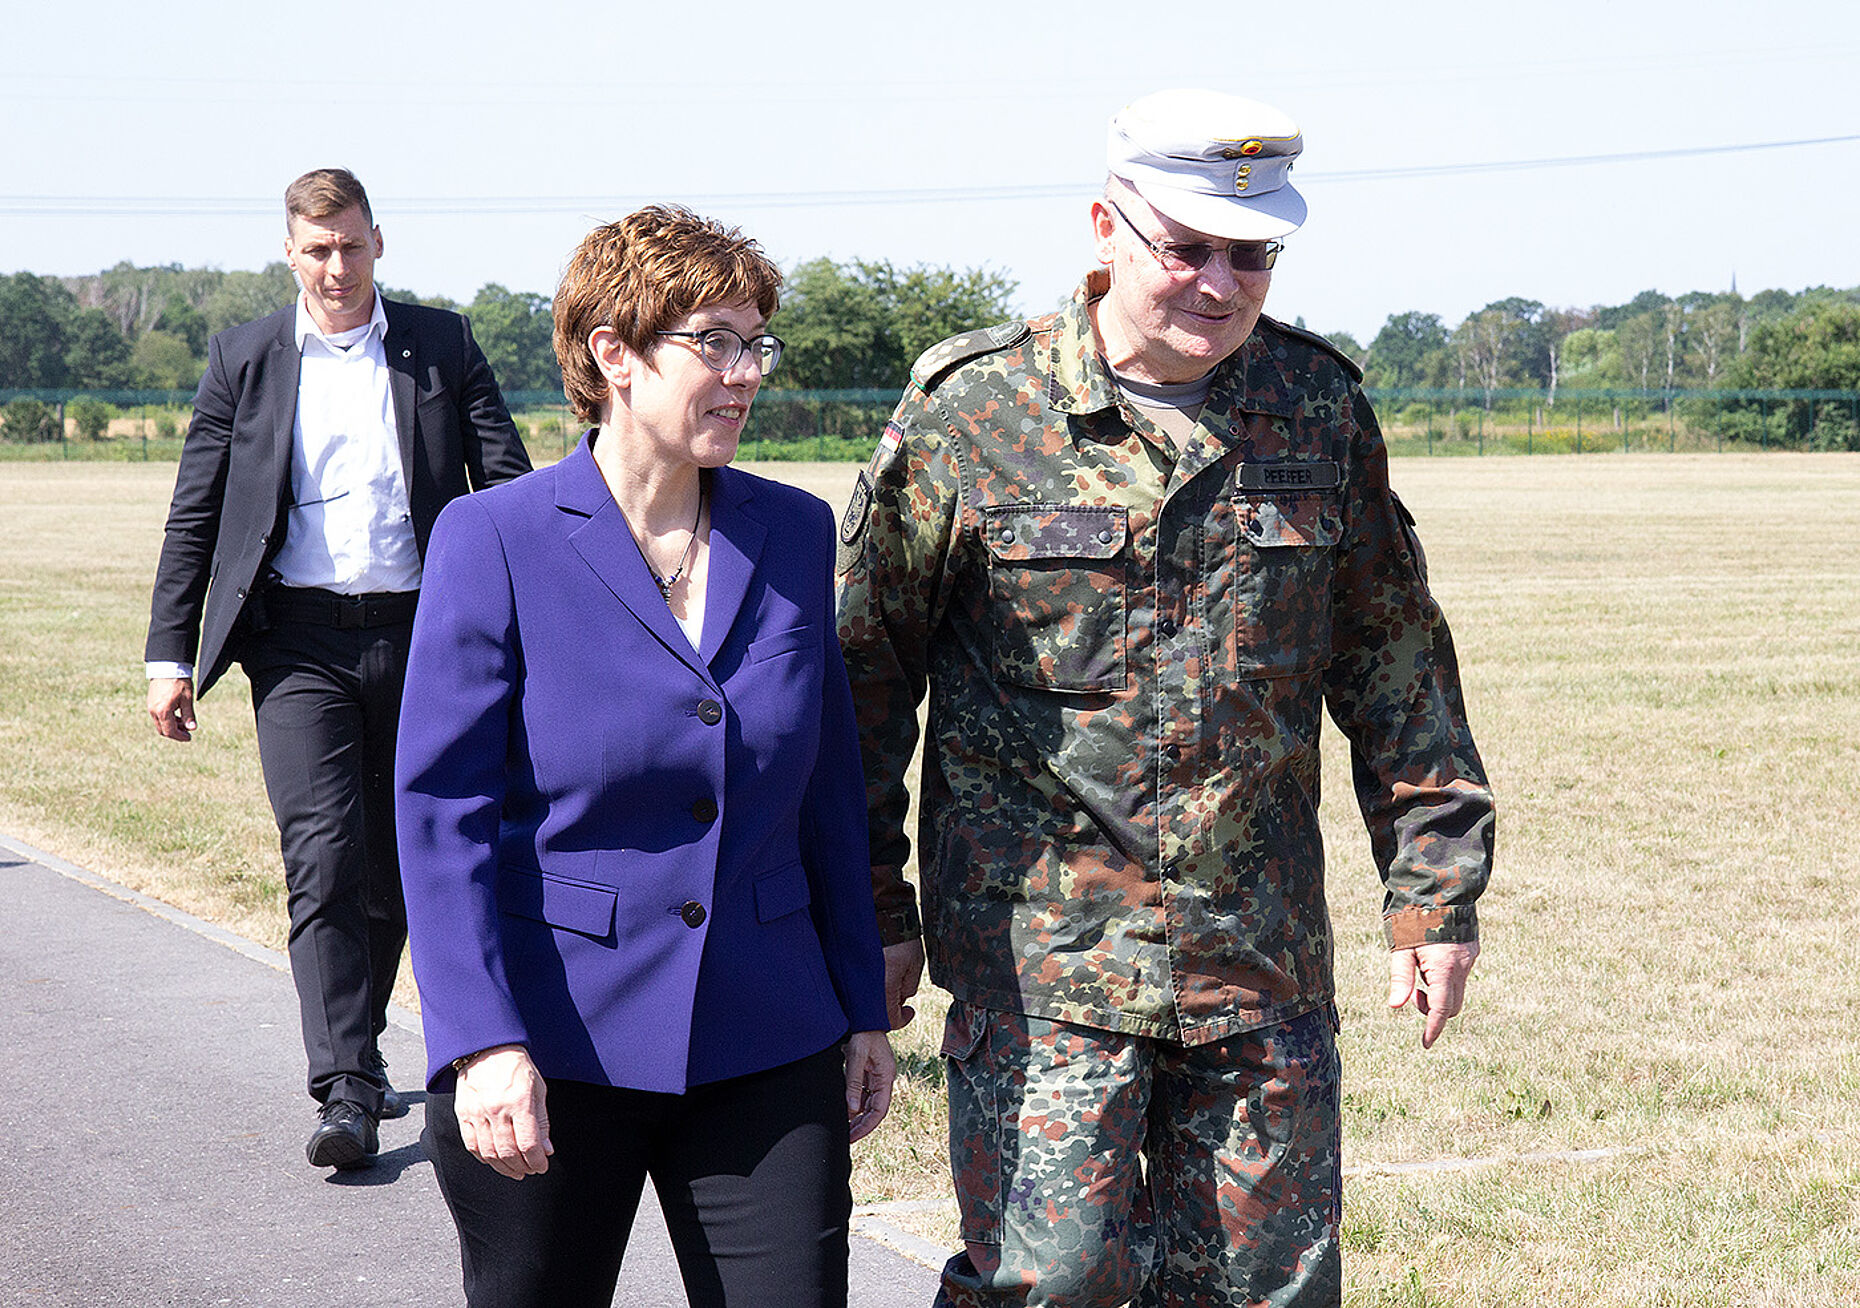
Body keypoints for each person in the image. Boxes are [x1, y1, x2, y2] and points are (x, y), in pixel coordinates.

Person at [835, 89, 1497, 1307]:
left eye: (1252, 256)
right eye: (1185, 249)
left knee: (1268, 1293)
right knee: (1050, 1283)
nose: (1219, 284)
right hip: (1044, 972)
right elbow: (864, 687)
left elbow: (1396, 664)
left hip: (1261, 963)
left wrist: (1435, 895)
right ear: (1104, 226)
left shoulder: (1316, 409)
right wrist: (875, 913)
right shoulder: (976, 413)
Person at [395, 205, 896, 1308]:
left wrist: (861, 1005)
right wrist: (480, 1042)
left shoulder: (795, 530)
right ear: (613, 352)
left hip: (767, 1029)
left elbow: (827, 786)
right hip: (552, 1043)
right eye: (713, 341)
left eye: (757, 342)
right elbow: (443, 816)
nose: (745, 372)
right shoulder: (495, 539)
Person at [144, 167, 530, 1170]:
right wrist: (168, 657)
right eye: (317, 250)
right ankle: (347, 1087)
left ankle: (362, 1055)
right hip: (298, 643)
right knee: (322, 852)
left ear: (378, 244)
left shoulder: (440, 346)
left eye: (351, 246)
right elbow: (199, 510)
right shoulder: (246, 358)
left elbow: (509, 483)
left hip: (426, 634)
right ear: (290, 255)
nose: (336, 267)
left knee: (408, 858)